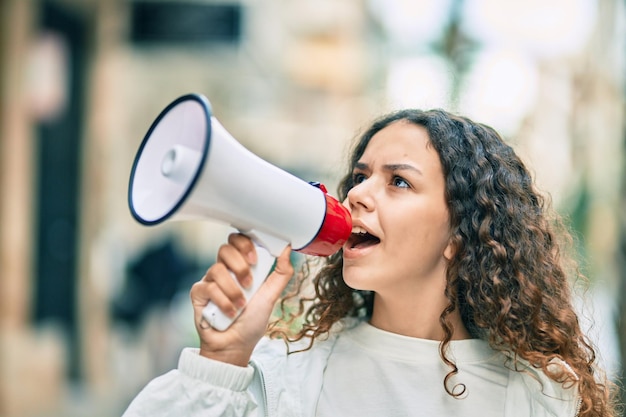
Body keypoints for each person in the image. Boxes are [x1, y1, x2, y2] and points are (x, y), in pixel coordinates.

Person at [122, 109, 618, 417]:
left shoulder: (538, 396)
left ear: (460, 234)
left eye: (398, 181)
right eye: (360, 176)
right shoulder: (287, 377)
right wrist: (222, 362)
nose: (356, 193)